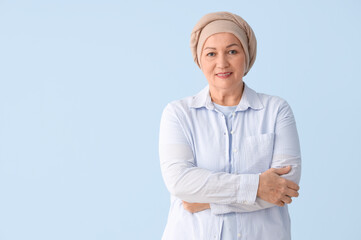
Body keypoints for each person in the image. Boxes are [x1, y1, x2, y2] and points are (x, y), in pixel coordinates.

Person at [159, 11, 301, 240]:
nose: (221, 63)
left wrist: (208, 202)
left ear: (247, 55)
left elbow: (284, 188)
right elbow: (180, 182)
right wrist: (257, 185)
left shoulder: (276, 111)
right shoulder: (177, 114)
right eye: (211, 53)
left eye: (232, 51)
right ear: (199, 60)